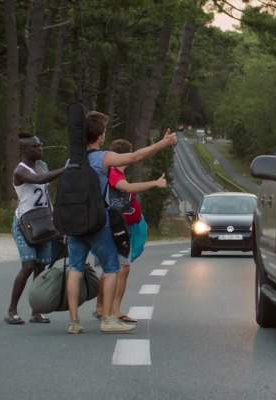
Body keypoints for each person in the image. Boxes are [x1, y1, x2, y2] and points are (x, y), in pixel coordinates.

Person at [64, 111, 176, 334]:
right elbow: (135, 157)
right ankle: (108, 318)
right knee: (112, 268)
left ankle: (74, 322)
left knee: (74, 268)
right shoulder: (103, 158)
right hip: (98, 222)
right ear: (100, 136)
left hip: (75, 222)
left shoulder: (71, 160)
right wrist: (162, 144)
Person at [93, 138, 167, 323]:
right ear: (124, 155)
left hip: (113, 225)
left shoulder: (111, 172)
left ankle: (102, 307)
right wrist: (154, 183)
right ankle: (113, 309)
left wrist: (161, 144)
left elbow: (141, 155)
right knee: (121, 268)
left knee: (110, 269)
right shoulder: (114, 174)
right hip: (114, 227)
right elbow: (127, 187)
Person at [7, 133, 65, 325]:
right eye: (36, 146)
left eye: (40, 145)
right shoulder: (20, 171)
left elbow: (46, 194)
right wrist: (65, 169)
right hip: (25, 223)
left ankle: (36, 311)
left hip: (43, 221)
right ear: (26, 150)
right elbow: (40, 180)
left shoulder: (42, 166)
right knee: (28, 265)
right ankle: (12, 310)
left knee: (41, 266)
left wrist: (55, 223)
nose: (40, 148)